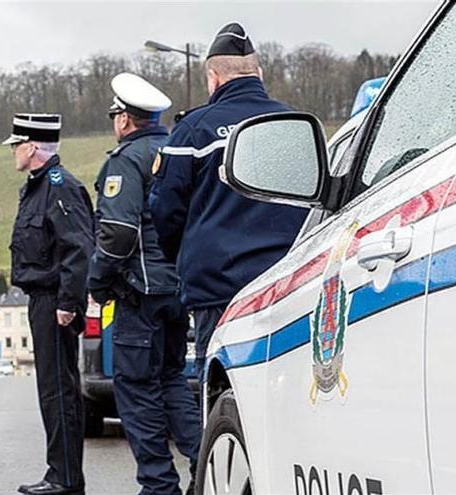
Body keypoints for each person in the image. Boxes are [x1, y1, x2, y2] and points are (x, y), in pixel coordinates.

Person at [149, 23, 308, 450]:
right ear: (258, 74)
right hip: (287, 285)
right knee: (287, 394)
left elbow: (165, 213)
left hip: (217, 290)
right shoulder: (293, 125)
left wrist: (184, 257)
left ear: (213, 78)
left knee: (222, 400)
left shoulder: (192, 130)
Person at [87, 73, 201, 495]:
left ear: (124, 119)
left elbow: (117, 232)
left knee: (136, 391)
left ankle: (158, 486)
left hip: (139, 291)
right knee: (172, 381)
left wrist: (98, 283)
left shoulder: (126, 160)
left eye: (115, 114)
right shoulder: (175, 151)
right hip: (178, 287)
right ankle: (205, 469)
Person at [3, 113, 94, 495]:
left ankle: (65, 478)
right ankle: (60, 472)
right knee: (52, 390)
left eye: (17, 145)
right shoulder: (37, 187)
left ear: (33, 147)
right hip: (42, 300)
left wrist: (68, 303)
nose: (13, 152)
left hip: (55, 302)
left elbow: (78, 248)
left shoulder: (59, 187)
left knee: (59, 392)